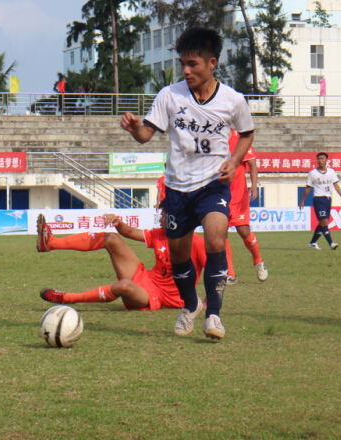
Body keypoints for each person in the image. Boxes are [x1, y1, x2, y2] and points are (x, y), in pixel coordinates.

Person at [119, 27, 254, 340]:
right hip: (177, 189)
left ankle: (214, 315)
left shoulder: (233, 100)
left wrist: (234, 161)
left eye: (193, 64)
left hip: (213, 184)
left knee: (216, 240)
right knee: (179, 256)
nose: (186, 70)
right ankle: (190, 305)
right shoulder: (169, 95)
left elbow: (247, 134)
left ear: (212, 63)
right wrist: (134, 129)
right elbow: (145, 136)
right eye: (182, 63)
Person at [36, 213, 206, 311]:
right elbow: (130, 232)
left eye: (163, 215)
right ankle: (50, 243)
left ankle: (67, 298)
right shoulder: (160, 234)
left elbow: (217, 270)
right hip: (147, 279)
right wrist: (118, 222)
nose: (160, 218)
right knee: (111, 239)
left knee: (124, 286)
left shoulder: (197, 243)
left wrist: (207, 305)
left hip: (161, 298)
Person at [225, 128, 268, 284]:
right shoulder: (212, 137)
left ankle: (258, 261)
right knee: (220, 233)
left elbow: (252, 163)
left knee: (243, 231)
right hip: (218, 194)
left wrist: (254, 185)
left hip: (238, 195)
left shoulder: (239, 138)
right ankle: (230, 273)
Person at [298, 152, 341, 250]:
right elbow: (308, 187)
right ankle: (331, 243)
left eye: (322, 159)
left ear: (326, 160)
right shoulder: (313, 173)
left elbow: (335, 184)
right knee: (324, 222)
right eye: (318, 159)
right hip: (318, 199)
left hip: (328, 199)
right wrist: (302, 200)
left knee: (323, 222)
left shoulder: (331, 172)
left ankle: (313, 242)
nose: (320, 161)